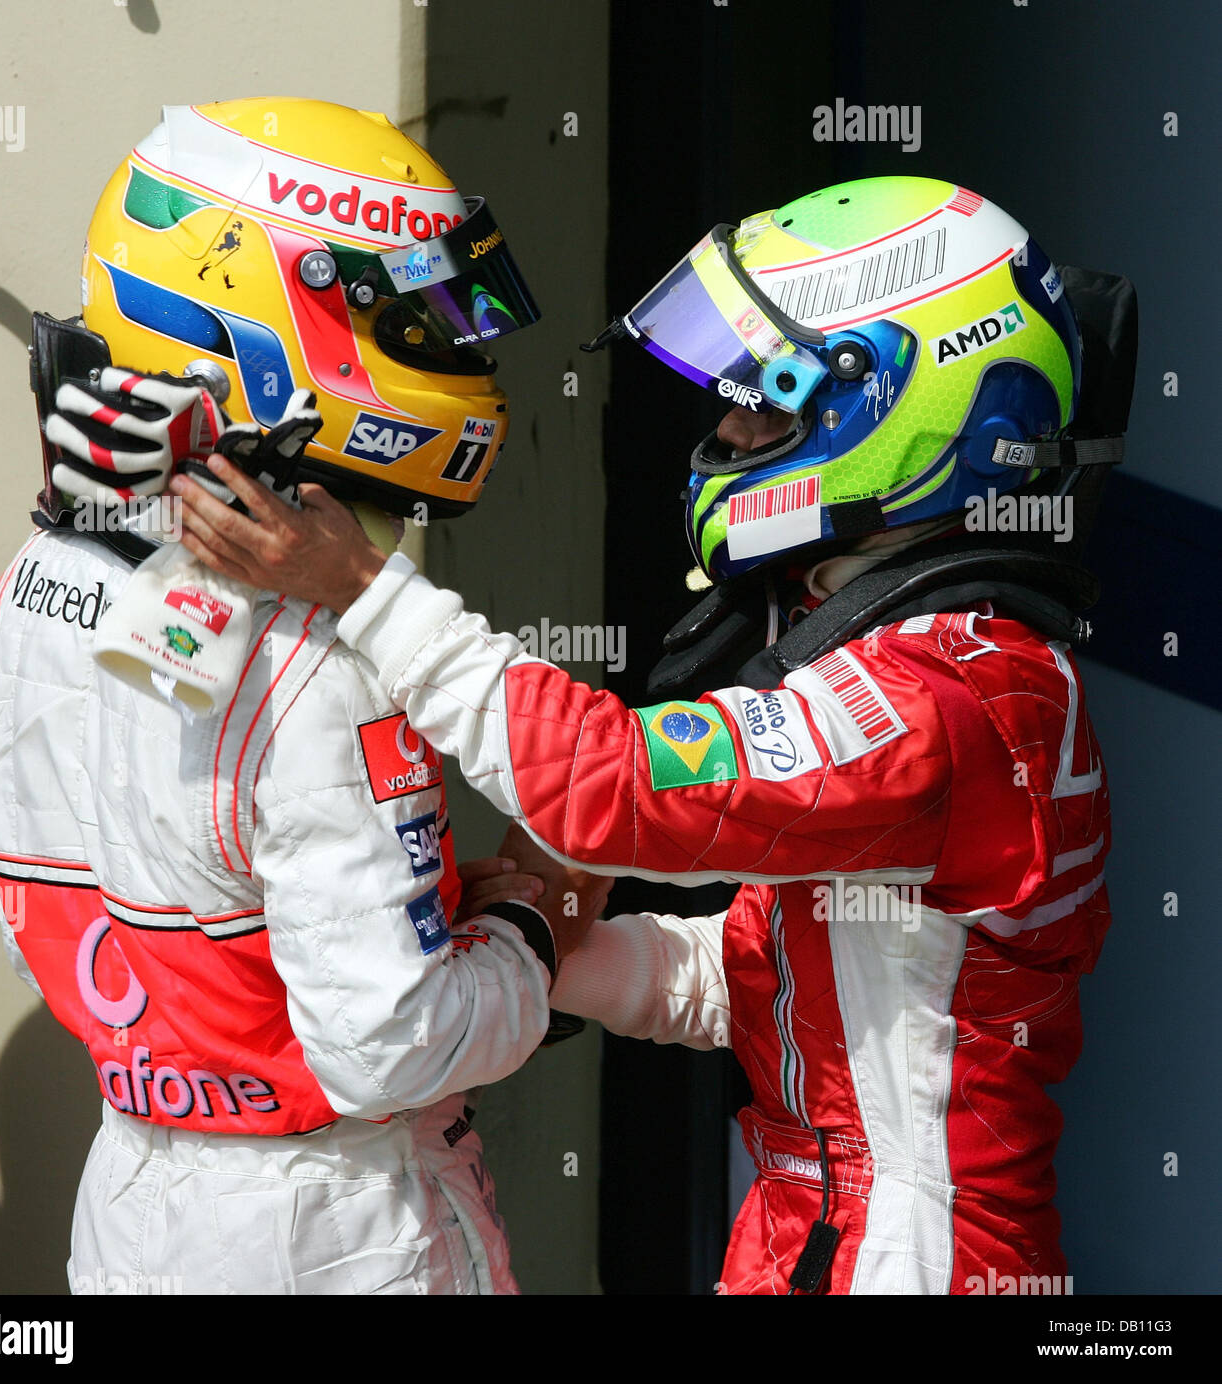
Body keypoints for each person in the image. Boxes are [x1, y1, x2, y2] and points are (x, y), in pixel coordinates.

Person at [169, 176, 1137, 1294]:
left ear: (909, 410)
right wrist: (535, 949)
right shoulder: (928, 656)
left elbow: (610, 788)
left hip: (911, 1258)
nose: (724, 433)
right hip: (809, 1227)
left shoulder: (955, 696)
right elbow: (772, 984)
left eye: (765, 406)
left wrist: (361, 590)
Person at [0, 98, 601, 1296]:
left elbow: (58, 918)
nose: (462, 352)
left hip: (132, 1198)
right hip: (335, 1226)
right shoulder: (324, 650)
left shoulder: (38, 573)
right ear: (256, 324)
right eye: (416, 319)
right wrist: (536, 924)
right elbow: (387, 1045)